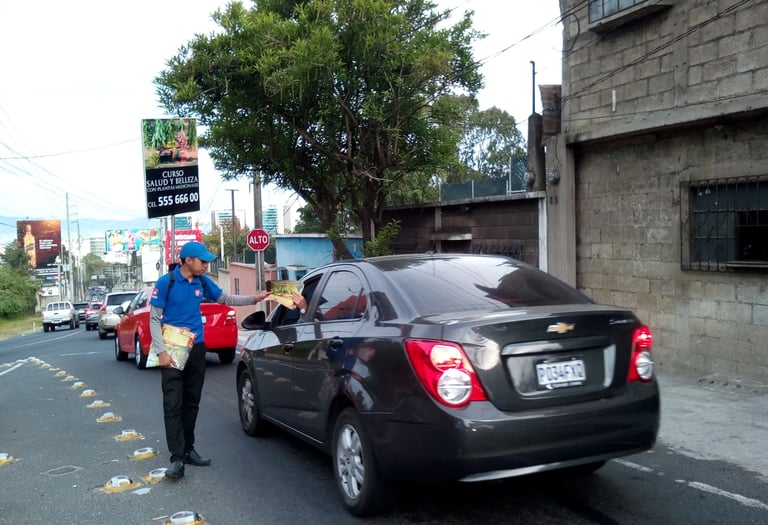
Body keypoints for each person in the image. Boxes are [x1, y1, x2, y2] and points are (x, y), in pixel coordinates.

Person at [150, 241, 270, 479]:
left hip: (196, 348)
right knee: (173, 403)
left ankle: (188, 450)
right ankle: (176, 458)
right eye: (202, 261)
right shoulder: (167, 282)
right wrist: (161, 351)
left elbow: (225, 298)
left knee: (192, 402)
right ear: (188, 260)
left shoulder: (203, 281)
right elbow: (154, 319)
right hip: (173, 348)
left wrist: (255, 298)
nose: (206, 265)